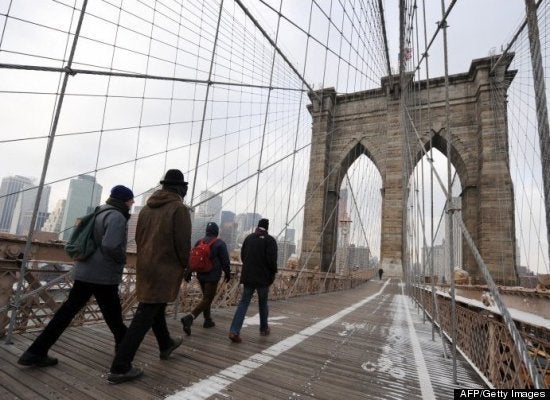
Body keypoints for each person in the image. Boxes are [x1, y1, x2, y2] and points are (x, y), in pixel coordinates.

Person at [18, 185, 135, 367]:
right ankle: (124, 357)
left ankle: (36, 350)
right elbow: (111, 246)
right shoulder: (117, 216)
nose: (132, 203)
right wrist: (122, 259)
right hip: (102, 274)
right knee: (113, 315)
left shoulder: (100, 212)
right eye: (131, 200)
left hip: (85, 270)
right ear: (124, 200)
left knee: (67, 312)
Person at [107, 169, 192, 384]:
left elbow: (138, 237)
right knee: (145, 314)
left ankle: (165, 344)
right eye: (184, 186)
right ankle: (120, 366)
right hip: (165, 269)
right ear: (178, 188)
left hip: (145, 266)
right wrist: (185, 265)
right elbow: (183, 244)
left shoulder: (145, 209)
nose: (186, 190)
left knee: (154, 307)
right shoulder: (179, 209)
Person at [228, 218, 277, 343]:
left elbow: (243, 256)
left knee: (243, 303)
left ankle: (234, 331)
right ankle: (264, 328)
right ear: (267, 227)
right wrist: (272, 274)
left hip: (248, 277)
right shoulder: (270, 241)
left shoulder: (249, 238)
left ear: (258, 226)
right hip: (263, 279)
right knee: (263, 303)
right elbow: (272, 261)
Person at [180, 222, 231, 334]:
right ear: (216, 232)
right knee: (208, 298)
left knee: (205, 298)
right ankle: (190, 317)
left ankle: (207, 320)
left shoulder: (199, 242)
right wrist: (228, 274)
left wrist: (188, 272)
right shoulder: (220, 243)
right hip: (212, 276)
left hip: (200, 274)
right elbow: (225, 262)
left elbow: (192, 258)